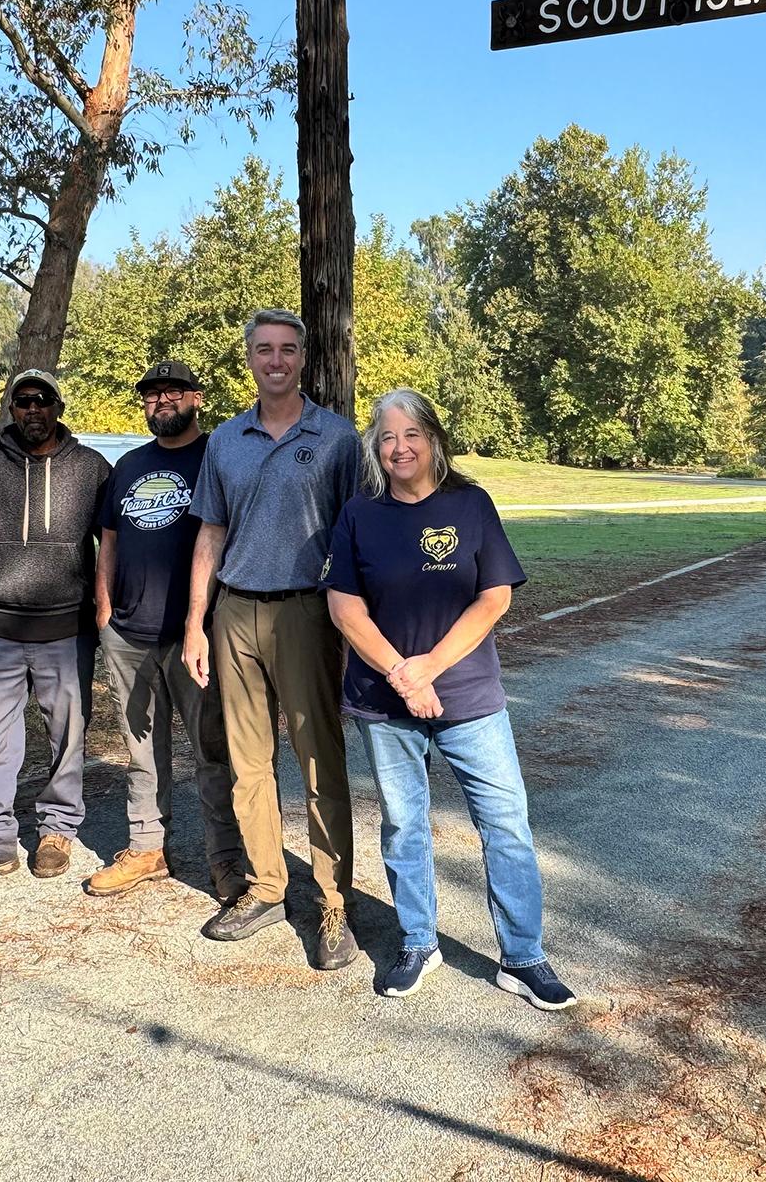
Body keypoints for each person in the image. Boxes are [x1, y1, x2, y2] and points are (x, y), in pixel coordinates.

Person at [324, 388, 576, 1010]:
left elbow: (494, 598)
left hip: (469, 697)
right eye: (386, 437)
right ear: (374, 449)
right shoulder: (360, 514)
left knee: (506, 825)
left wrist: (430, 668)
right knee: (404, 823)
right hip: (383, 703)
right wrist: (400, 675)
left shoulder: (472, 505)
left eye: (411, 434)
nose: (399, 447)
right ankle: (418, 941)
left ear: (434, 440)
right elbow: (343, 606)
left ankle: (524, 957)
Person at [182, 308, 361, 970]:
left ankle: (333, 900)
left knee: (319, 759)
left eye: (288, 350)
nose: (276, 360)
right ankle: (266, 887)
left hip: (305, 613)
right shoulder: (226, 440)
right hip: (234, 612)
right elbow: (210, 531)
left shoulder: (338, 439)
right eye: (264, 350)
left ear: (304, 358)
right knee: (248, 762)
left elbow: (356, 536)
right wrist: (197, 621)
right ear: (250, 359)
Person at [0, 369, 111, 892]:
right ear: (11, 410)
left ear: (57, 406)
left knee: (67, 733)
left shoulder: (91, 468)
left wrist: (104, 608)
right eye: (22, 402)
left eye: (42, 401)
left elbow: (111, 544)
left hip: (66, 627)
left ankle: (58, 830)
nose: (32, 410)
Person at [84, 360, 246, 904]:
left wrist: (208, 620)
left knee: (211, 749)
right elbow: (108, 536)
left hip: (194, 635)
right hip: (128, 633)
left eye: (173, 392)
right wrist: (104, 605)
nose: (162, 401)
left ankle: (226, 858)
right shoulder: (128, 465)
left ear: (196, 397)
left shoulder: (217, 458)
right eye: (152, 394)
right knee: (140, 750)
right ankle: (148, 847)